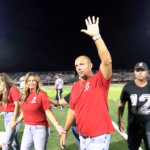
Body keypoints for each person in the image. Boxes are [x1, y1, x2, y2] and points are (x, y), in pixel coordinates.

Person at [60, 16, 115, 150]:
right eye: (76, 65)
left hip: (99, 138)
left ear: (90, 65)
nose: (79, 67)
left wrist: (96, 36)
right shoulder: (75, 87)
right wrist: (65, 131)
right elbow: (72, 111)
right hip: (82, 137)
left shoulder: (99, 80)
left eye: (82, 64)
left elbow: (107, 61)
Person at [15, 72, 63, 150]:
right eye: (29, 80)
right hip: (27, 129)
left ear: (37, 82)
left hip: (40, 129)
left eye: (33, 80)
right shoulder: (25, 95)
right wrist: (16, 122)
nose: (31, 82)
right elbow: (24, 111)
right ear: (26, 82)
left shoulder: (42, 95)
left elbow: (48, 112)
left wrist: (56, 125)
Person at [118, 62, 150, 150]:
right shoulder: (128, 87)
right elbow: (121, 104)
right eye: (138, 70)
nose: (140, 72)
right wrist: (120, 121)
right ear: (134, 72)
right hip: (133, 127)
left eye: (142, 70)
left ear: (147, 72)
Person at [0, 73, 21, 150]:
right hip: (6, 116)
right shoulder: (1, 91)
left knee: (5, 143)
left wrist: (14, 120)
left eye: (0, 81)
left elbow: (17, 105)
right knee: (13, 140)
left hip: (13, 116)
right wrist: (0, 92)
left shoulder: (12, 89)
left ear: (4, 81)